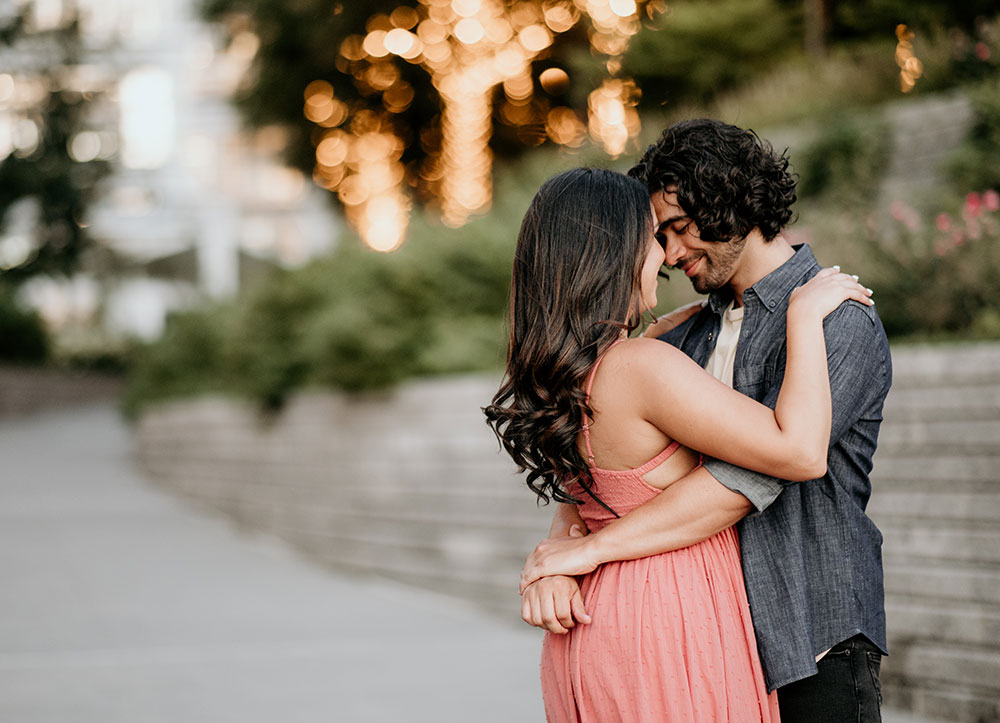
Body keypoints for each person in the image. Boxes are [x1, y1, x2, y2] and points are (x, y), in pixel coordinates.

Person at [518, 120, 892, 722]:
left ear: (733, 202)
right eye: (658, 236)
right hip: (705, 632)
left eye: (680, 229)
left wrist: (578, 555)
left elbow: (753, 475)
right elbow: (604, 472)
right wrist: (560, 551)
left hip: (810, 634)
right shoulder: (680, 337)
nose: (669, 255)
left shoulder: (835, 319)